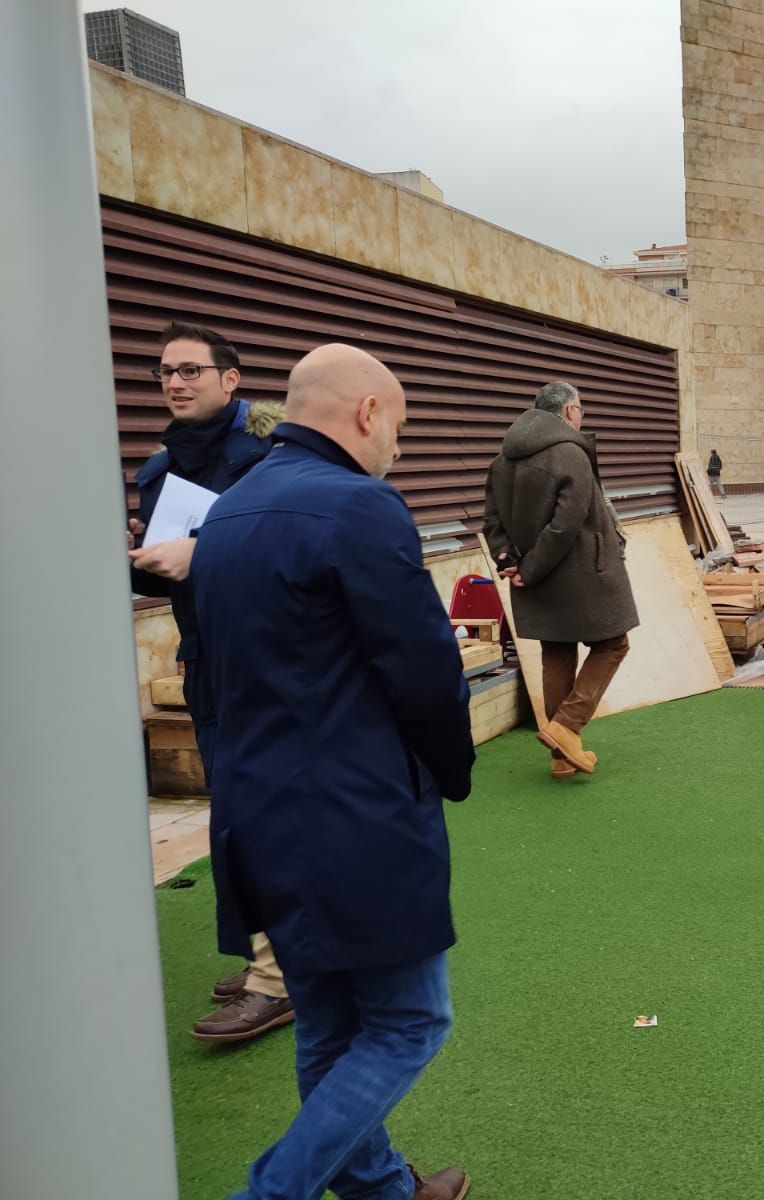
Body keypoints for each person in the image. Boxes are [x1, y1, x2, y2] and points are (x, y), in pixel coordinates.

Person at [189, 344, 475, 1200]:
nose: (398, 447)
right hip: (352, 813)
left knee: (327, 1023)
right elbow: (423, 670)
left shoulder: (227, 513)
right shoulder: (361, 507)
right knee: (410, 1023)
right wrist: (451, 768)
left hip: (255, 808)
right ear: (367, 413)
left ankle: (382, 1189)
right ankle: (270, 1192)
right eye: (399, 427)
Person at [127, 320, 294, 1044]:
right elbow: (162, 570)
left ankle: (280, 976)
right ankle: (272, 953)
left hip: (275, 660)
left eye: (191, 370)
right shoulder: (160, 470)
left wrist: (205, 555)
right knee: (231, 813)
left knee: (265, 815)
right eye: (165, 371)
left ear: (231, 379)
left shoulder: (272, 454)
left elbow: (299, 551)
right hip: (207, 660)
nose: (175, 382)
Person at [483, 380, 639, 778]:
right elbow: (567, 523)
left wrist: (510, 563)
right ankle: (566, 727)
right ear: (569, 411)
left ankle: (560, 757)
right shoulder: (570, 452)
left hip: (536, 576)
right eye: (581, 409)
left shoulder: (502, 460)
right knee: (613, 644)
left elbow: (492, 522)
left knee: (557, 651)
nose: (581, 416)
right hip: (581, 572)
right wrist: (532, 566)